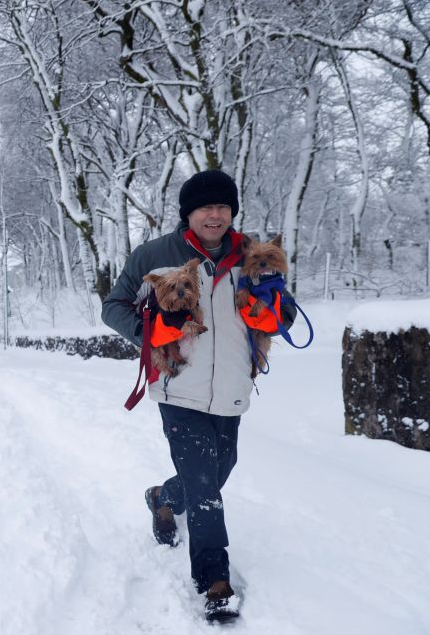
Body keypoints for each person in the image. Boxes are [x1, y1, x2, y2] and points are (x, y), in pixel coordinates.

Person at [101, 169, 294, 621]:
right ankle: (213, 580)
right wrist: (149, 334)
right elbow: (114, 306)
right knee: (205, 488)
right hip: (178, 387)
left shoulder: (252, 255)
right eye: (206, 207)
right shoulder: (156, 254)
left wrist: (272, 313)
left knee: (220, 468)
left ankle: (163, 498)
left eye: (223, 207)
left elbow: (278, 309)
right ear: (189, 212)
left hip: (231, 388)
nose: (215, 214)